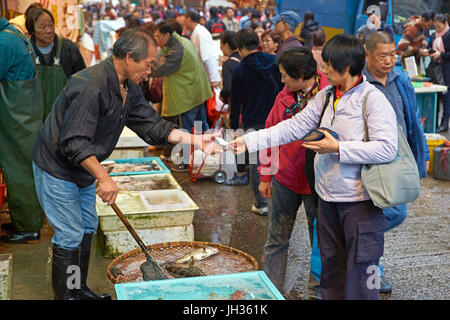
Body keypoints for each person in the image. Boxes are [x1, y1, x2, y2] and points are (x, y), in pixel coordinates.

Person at [31, 28, 219, 300]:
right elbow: (74, 142)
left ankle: (79, 289)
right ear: (130, 58)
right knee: (70, 233)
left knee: (86, 226)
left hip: (81, 169)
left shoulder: (127, 88)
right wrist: (103, 177)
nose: (150, 71)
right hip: (58, 168)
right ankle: (67, 295)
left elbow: (151, 125)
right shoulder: (90, 85)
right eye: (148, 65)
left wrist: (194, 139)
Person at [230, 34, 398, 300]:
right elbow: (292, 127)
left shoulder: (373, 100)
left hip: (359, 202)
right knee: (330, 268)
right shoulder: (326, 96)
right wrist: (249, 141)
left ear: (346, 67)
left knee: (363, 272)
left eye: (329, 65)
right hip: (327, 200)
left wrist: (339, 149)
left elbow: (388, 147)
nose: (324, 69)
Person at [363, 31, 430, 293]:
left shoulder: (401, 79)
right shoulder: (359, 83)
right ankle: (371, 272)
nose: (389, 60)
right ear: (368, 55)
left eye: (393, 55)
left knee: (395, 212)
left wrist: (420, 156)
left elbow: (412, 119)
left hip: (397, 159)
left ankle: (364, 255)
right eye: (383, 56)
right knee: (373, 214)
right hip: (369, 161)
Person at [259, 47, 329, 295]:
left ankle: (318, 291)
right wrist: (265, 176)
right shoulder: (284, 97)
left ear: (301, 75)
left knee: (320, 243)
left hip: (318, 184)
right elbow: (269, 135)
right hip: (286, 179)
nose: (282, 80)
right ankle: (271, 291)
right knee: (277, 239)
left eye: (285, 75)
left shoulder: (330, 94)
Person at [0, 17, 45, 244]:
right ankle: (25, 221)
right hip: (25, 116)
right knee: (25, 171)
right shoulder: (13, 34)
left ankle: (28, 227)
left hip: (17, 120)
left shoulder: (4, 43)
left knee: (20, 173)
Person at [229, 29, 282, 214]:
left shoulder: (240, 70)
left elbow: (235, 103)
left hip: (253, 121)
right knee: (273, 158)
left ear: (241, 48)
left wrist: (234, 127)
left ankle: (261, 204)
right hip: (276, 118)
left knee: (257, 163)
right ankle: (278, 202)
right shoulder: (274, 62)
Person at [151, 22, 213, 169]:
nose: (157, 40)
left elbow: (160, 69)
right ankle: (202, 160)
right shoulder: (182, 40)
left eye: (158, 37)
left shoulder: (177, 48)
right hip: (195, 91)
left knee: (187, 129)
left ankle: (186, 162)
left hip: (188, 94)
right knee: (199, 127)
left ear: (167, 35)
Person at [25, 6, 86, 118]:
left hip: (65, 118)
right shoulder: (25, 52)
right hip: (34, 121)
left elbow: (83, 82)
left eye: (51, 25)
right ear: (32, 30)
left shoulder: (68, 49)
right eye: (42, 27)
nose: (49, 30)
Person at [185, 10, 221, 126]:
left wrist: (213, 79)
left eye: (185, 19)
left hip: (206, 77)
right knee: (201, 113)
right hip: (201, 77)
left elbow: (208, 57)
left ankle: (204, 135)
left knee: (203, 112)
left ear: (189, 19)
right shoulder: (197, 32)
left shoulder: (200, 33)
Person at [425, 14, 450, 132]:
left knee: (446, 98)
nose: (437, 29)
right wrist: (427, 51)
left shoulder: (449, 35)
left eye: (438, 26)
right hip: (436, 71)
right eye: (435, 26)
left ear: (445, 23)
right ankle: (434, 124)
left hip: (446, 72)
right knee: (437, 96)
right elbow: (431, 48)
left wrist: (441, 55)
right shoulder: (434, 35)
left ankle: (444, 123)